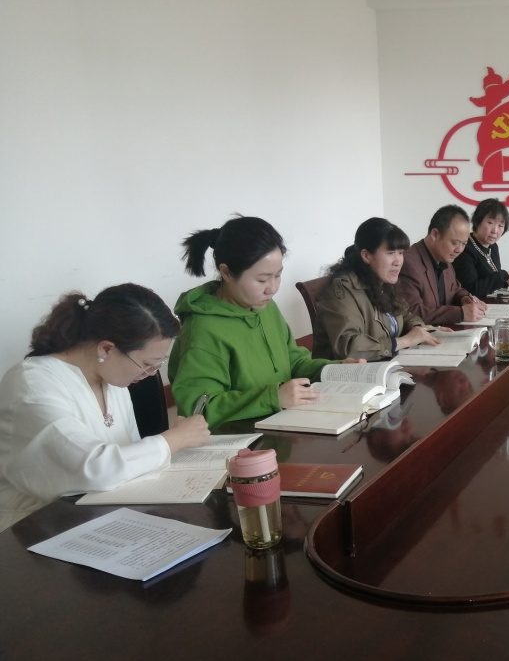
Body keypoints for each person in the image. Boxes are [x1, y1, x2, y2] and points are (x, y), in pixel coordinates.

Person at [0, 284, 211, 530]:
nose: (151, 373)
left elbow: (127, 460)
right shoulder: (32, 384)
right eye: (147, 364)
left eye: (158, 364)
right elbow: (95, 469)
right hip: (32, 526)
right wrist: (174, 439)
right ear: (106, 349)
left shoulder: (112, 379)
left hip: (100, 513)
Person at [169, 216, 356, 427]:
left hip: (283, 424)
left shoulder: (265, 307)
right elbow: (199, 410)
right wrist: (273, 397)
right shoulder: (203, 329)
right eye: (262, 279)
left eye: (278, 276)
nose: (272, 288)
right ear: (226, 272)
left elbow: (294, 363)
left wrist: (336, 369)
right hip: (241, 439)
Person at [313, 217, 445, 360]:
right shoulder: (342, 290)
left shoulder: (383, 281)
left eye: (400, 252)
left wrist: (421, 330)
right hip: (351, 372)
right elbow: (349, 347)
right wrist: (404, 341)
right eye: (390, 253)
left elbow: (404, 314)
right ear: (366, 256)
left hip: (384, 364)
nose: (398, 261)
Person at [397, 205, 488, 325]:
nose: (459, 250)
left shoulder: (444, 257)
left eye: (464, 244)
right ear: (435, 234)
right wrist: (460, 313)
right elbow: (412, 312)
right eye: (455, 243)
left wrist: (465, 299)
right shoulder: (409, 263)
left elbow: (455, 288)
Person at [452, 198, 509, 300]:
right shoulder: (465, 249)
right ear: (478, 221)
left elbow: (492, 277)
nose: (495, 231)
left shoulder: (493, 247)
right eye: (490, 223)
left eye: (500, 225)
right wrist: (503, 275)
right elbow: (471, 290)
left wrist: (506, 280)